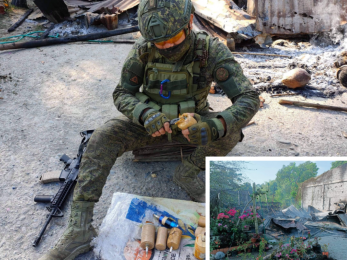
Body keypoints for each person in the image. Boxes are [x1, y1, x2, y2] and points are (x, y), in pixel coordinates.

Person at [40, 0, 259, 259]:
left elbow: (248, 98)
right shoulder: (143, 50)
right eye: (158, 42)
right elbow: (122, 93)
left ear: (189, 22)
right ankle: (79, 230)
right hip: (151, 125)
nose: (165, 47)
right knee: (104, 135)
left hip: (194, 123)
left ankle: (187, 172)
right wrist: (145, 115)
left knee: (231, 130)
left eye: (173, 38)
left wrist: (214, 125)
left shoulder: (210, 50)